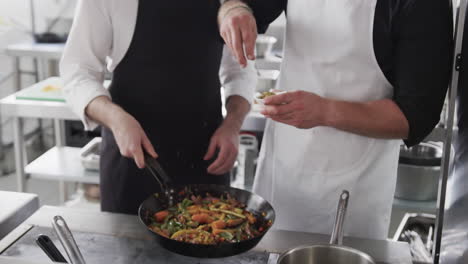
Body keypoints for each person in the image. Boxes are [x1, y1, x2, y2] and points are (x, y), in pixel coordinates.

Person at [218, 0, 453, 239]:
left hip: (353, 189)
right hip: (284, 171)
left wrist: (324, 111)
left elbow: (413, 117)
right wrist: (234, 11)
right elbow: (241, 5)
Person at [60, 0, 256, 214]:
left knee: (210, 241)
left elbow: (241, 70)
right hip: (132, 161)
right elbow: (77, 73)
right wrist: (116, 119)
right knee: (125, 246)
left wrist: (232, 124)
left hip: (207, 159)